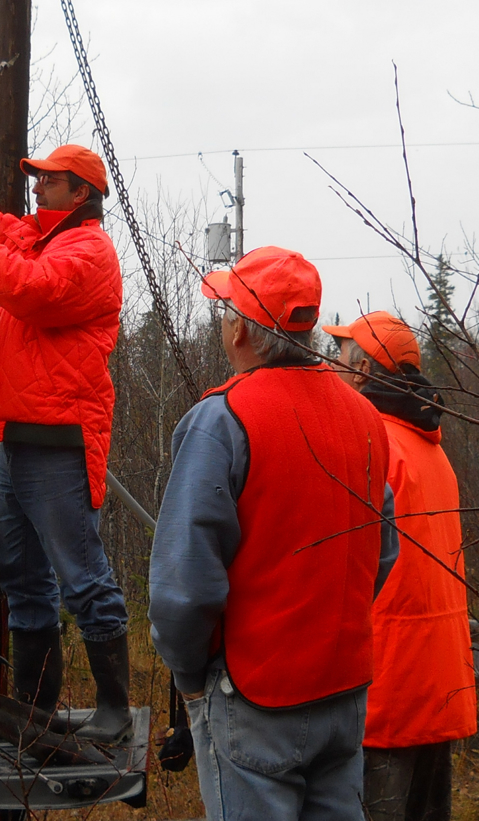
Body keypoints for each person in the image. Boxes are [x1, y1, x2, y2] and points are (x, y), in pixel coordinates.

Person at [148, 246, 399, 820]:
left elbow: (183, 587)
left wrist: (191, 677)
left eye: (223, 313)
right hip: (344, 693)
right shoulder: (365, 417)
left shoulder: (223, 419)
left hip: (254, 699)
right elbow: (382, 552)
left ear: (239, 329)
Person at [0, 121, 132, 742]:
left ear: (83, 194)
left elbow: (31, 293)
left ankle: (115, 710)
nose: (38, 185)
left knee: (82, 577)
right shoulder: (41, 238)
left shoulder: (86, 253)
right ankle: (35, 713)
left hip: (58, 441)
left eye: (50, 179)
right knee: (22, 576)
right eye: (38, 177)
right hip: (17, 437)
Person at [324, 311, 477, 821]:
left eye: (342, 355)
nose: (332, 363)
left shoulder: (374, 443)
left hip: (389, 696)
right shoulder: (433, 452)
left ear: (364, 370)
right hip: (439, 688)